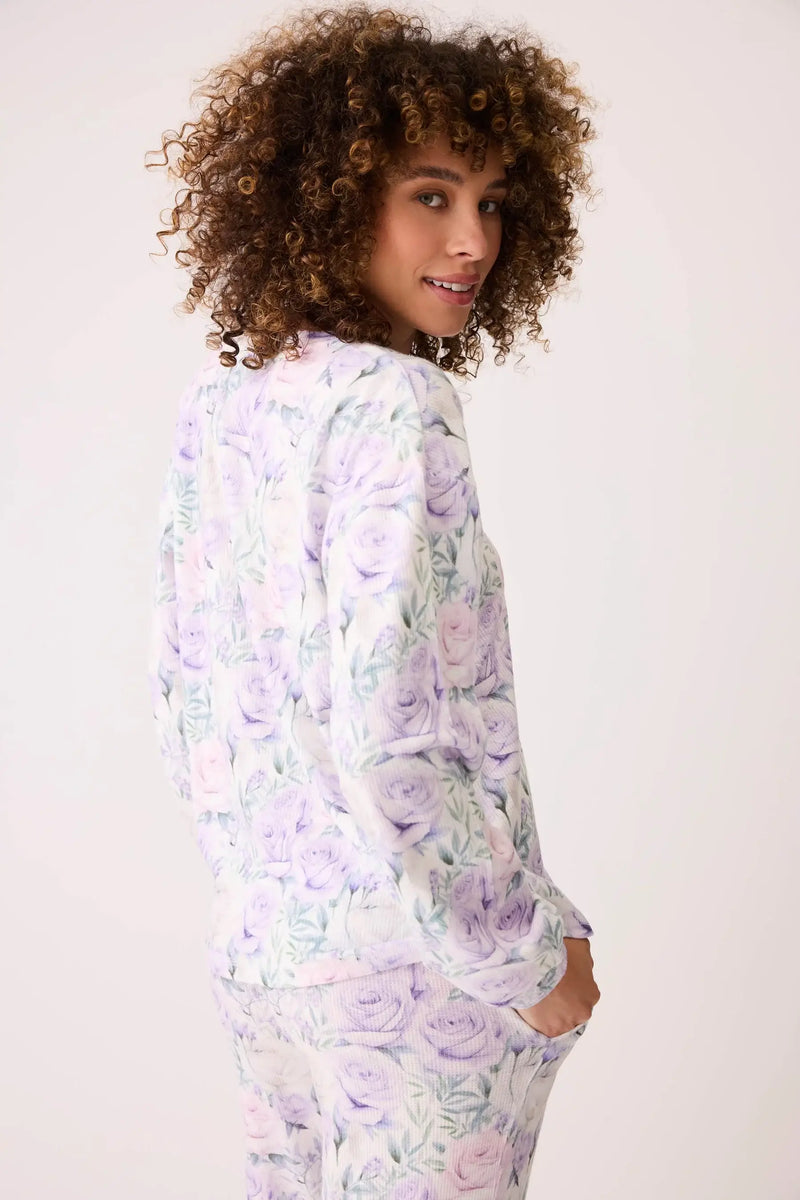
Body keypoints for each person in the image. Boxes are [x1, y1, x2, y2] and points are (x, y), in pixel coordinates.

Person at [145, 4, 601, 1196]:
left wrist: (269, 896)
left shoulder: (224, 405)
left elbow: (186, 697)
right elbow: (389, 733)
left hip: (265, 958)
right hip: (416, 972)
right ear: (330, 197)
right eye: (430, 195)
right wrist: (522, 955)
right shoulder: (398, 404)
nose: (471, 241)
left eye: (492, 202)